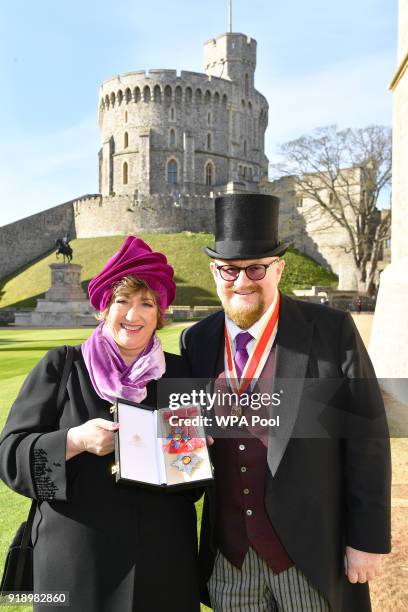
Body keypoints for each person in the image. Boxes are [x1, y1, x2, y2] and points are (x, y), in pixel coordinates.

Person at [180, 194, 391, 612]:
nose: (241, 282)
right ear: (214, 272)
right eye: (229, 270)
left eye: (255, 268)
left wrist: (365, 540)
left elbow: (366, 439)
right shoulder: (197, 340)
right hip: (230, 564)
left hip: (310, 556)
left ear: (278, 268)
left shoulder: (331, 330)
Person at [0, 236, 200, 612]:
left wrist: (191, 455)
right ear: (103, 309)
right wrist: (73, 441)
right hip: (75, 568)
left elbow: (191, 483)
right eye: (122, 301)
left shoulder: (179, 373)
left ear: (161, 313)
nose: (133, 315)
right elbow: (10, 456)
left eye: (146, 304)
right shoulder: (63, 366)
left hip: (162, 566)